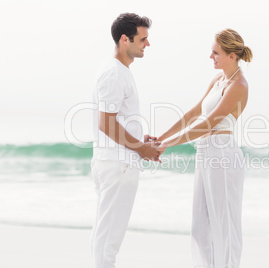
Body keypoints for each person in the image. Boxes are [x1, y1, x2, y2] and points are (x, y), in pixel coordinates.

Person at [157, 28, 253, 268]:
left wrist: (169, 144)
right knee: (200, 227)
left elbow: (209, 123)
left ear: (232, 55)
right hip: (206, 153)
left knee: (225, 227)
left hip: (223, 154)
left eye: (216, 52)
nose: (211, 57)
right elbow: (194, 113)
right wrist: (160, 138)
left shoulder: (239, 85)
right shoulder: (218, 80)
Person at [90, 13, 159, 268]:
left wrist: (139, 139)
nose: (147, 44)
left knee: (105, 233)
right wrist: (141, 148)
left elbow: (117, 119)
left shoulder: (120, 70)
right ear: (124, 39)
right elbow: (106, 123)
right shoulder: (113, 73)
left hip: (116, 161)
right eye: (142, 39)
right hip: (117, 165)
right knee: (109, 238)